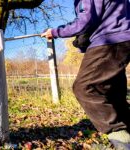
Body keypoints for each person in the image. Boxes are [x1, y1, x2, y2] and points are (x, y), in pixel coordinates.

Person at [41, 0, 130, 149]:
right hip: (123, 41)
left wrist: (55, 32)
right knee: (113, 94)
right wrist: (82, 40)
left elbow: (85, 20)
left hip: (108, 42)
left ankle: (121, 139)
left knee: (84, 87)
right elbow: (100, 18)